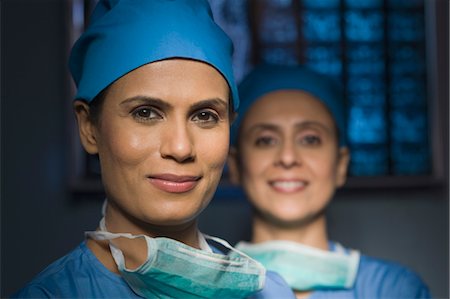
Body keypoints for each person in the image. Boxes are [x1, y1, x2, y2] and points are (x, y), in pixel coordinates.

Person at [12, 1, 296, 298]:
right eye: (145, 113)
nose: (180, 147)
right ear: (89, 127)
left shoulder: (271, 292)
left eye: (205, 116)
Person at [227, 64, 431, 299]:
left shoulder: (393, 290)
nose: (288, 157)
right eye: (265, 140)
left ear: (341, 165)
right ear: (235, 165)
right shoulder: (199, 289)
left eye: (310, 139)